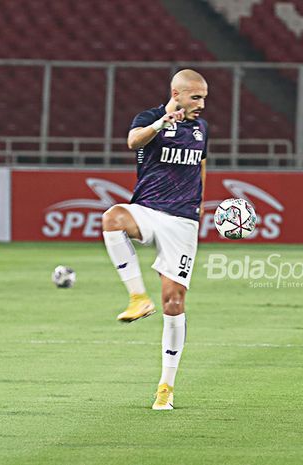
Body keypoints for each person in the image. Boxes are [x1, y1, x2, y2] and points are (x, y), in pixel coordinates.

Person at [101, 69, 208, 410]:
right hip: (148, 209)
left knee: (174, 303)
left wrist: (201, 200)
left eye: (204, 97)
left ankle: (166, 386)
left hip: (183, 223)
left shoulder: (201, 129)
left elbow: (201, 164)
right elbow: (134, 142)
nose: (202, 104)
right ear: (176, 94)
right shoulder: (149, 117)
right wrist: (162, 121)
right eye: (196, 97)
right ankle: (136, 299)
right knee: (112, 218)